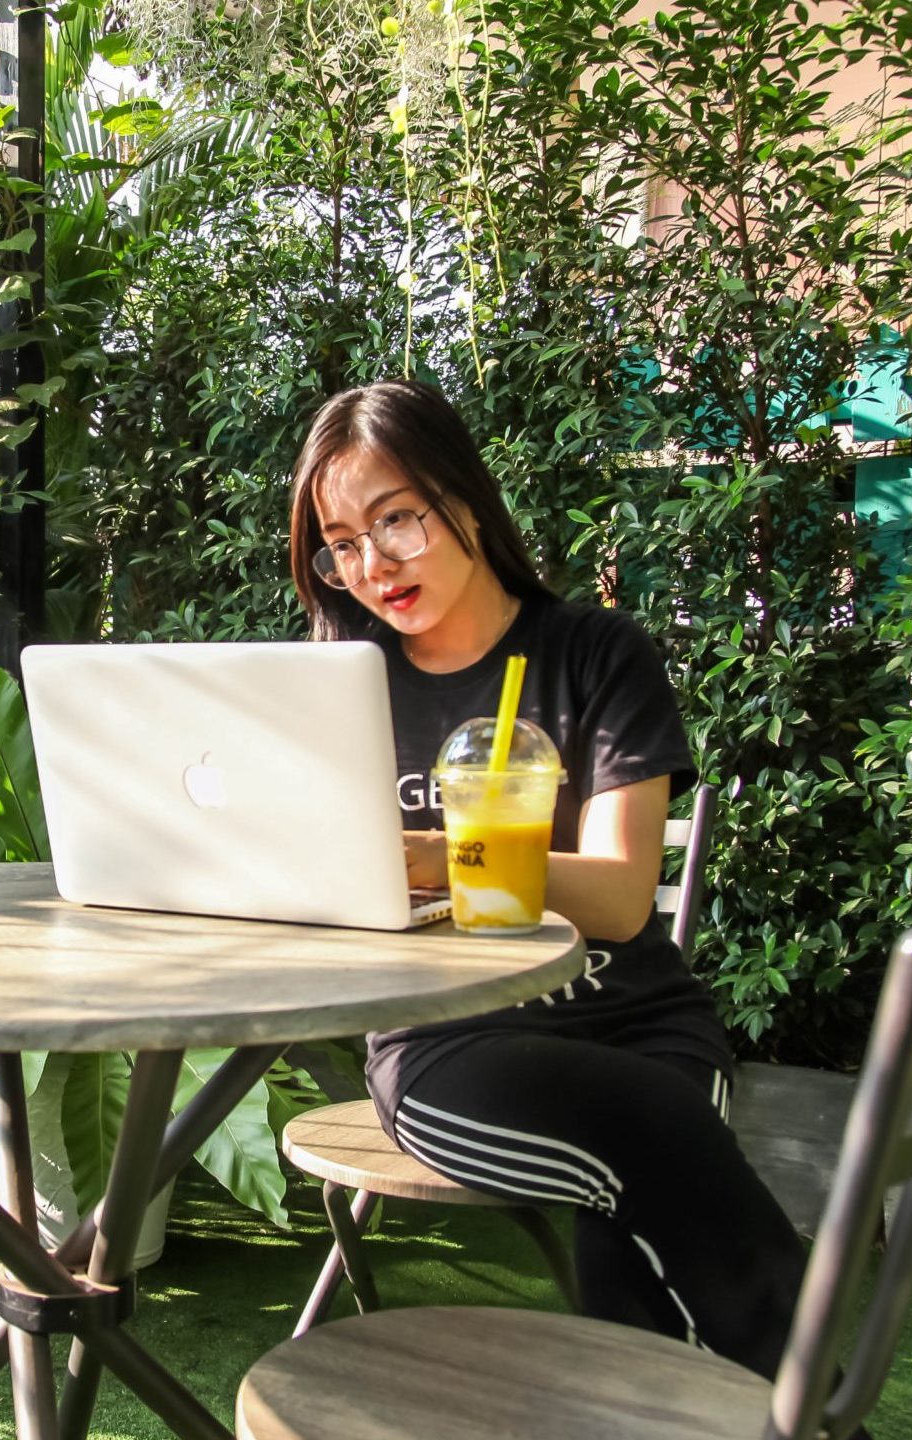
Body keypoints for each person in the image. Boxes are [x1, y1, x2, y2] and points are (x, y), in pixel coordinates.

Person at [287, 378, 808, 1379]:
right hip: (451, 1041)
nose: (371, 565)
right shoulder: (341, 691)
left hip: (637, 1016)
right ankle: (822, 1408)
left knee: (637, 1230)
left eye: (395, 520)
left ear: (463, 499)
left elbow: (617, 898)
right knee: (653, 1135)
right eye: (342, 541)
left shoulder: (594, 653)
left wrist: (442, 855)